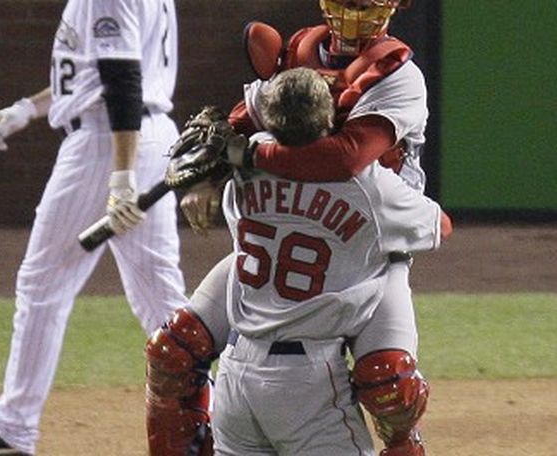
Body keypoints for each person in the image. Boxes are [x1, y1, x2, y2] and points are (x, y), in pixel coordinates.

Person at [145, 1, 447, 455]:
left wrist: (241, 158)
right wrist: (207, 172)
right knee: (173, 351)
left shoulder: (397, 76)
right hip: (337, 222)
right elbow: (229, 130)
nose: (355, 10)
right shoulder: (300, 50)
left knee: (389, 383)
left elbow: (344, 157)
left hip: (370, 247)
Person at [0, 1, 187, 455]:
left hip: (109, 143)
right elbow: (91, 69)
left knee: (43, 283)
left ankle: (12, 431)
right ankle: (230, 414)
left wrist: (121, 179)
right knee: (161, 298)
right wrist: (28, 108)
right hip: (143, 135)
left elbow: (122, 80)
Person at [214, 65, 446, 456]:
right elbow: (438, 226)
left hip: (235, 373)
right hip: (306, 380)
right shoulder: (366, 185)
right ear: (329, 118)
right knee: (392, 383)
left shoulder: (240, 170)